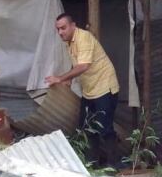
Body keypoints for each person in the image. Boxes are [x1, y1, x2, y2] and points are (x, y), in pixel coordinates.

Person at [46, 13, 120, 167]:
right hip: (90, 89)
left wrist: (60, 78)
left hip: (105, 86)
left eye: (63, 28)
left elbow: (84, 66)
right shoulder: (70, 42)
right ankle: (92, 164)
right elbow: (78, 63)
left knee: (105, 127)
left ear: (73, 26)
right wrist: (70, 78)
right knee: (86, 127)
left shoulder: (83, 38)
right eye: (58, 29)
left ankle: (113, 165)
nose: (60, 32)